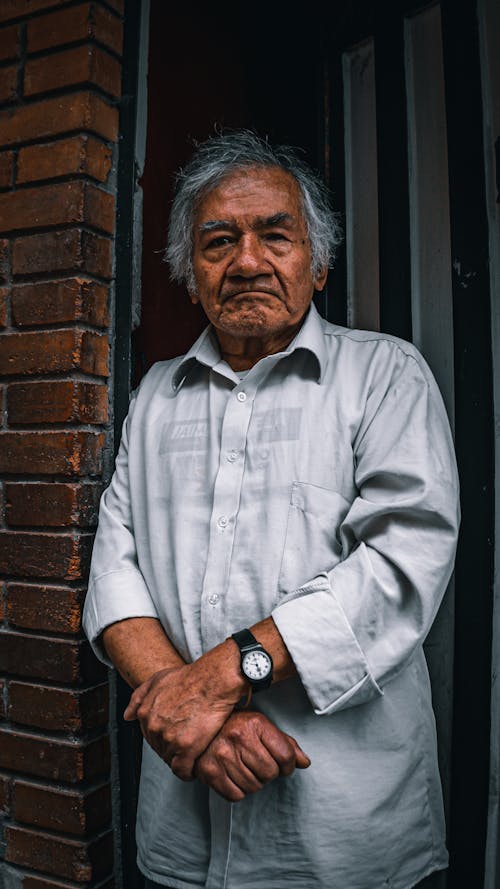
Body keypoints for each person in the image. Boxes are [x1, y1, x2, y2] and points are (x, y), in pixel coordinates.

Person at [83, 130, 460, 889]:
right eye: (218, 241)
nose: (247, 260)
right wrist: (203, 713)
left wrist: (228, 671)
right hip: (183, 830)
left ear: (318, 264)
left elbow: (401, 566)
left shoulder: (385, 375)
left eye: (275, 236)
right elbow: (114, 574)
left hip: (344, 840)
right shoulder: (154, 395)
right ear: (191, 276)